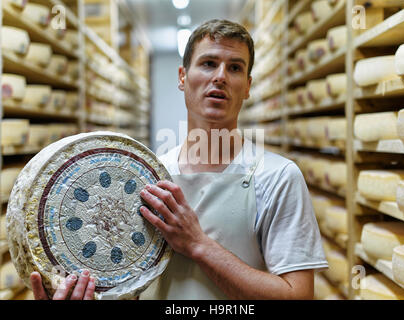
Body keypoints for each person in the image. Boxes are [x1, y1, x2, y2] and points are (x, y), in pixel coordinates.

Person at [30, 19, 327, 300]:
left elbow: (297, 294)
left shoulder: (278, 176)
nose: (220, 76)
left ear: (247, 86)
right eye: (208, 63)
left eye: (234, 68)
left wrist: (198, 245)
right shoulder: (146, 178)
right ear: (182, 77)